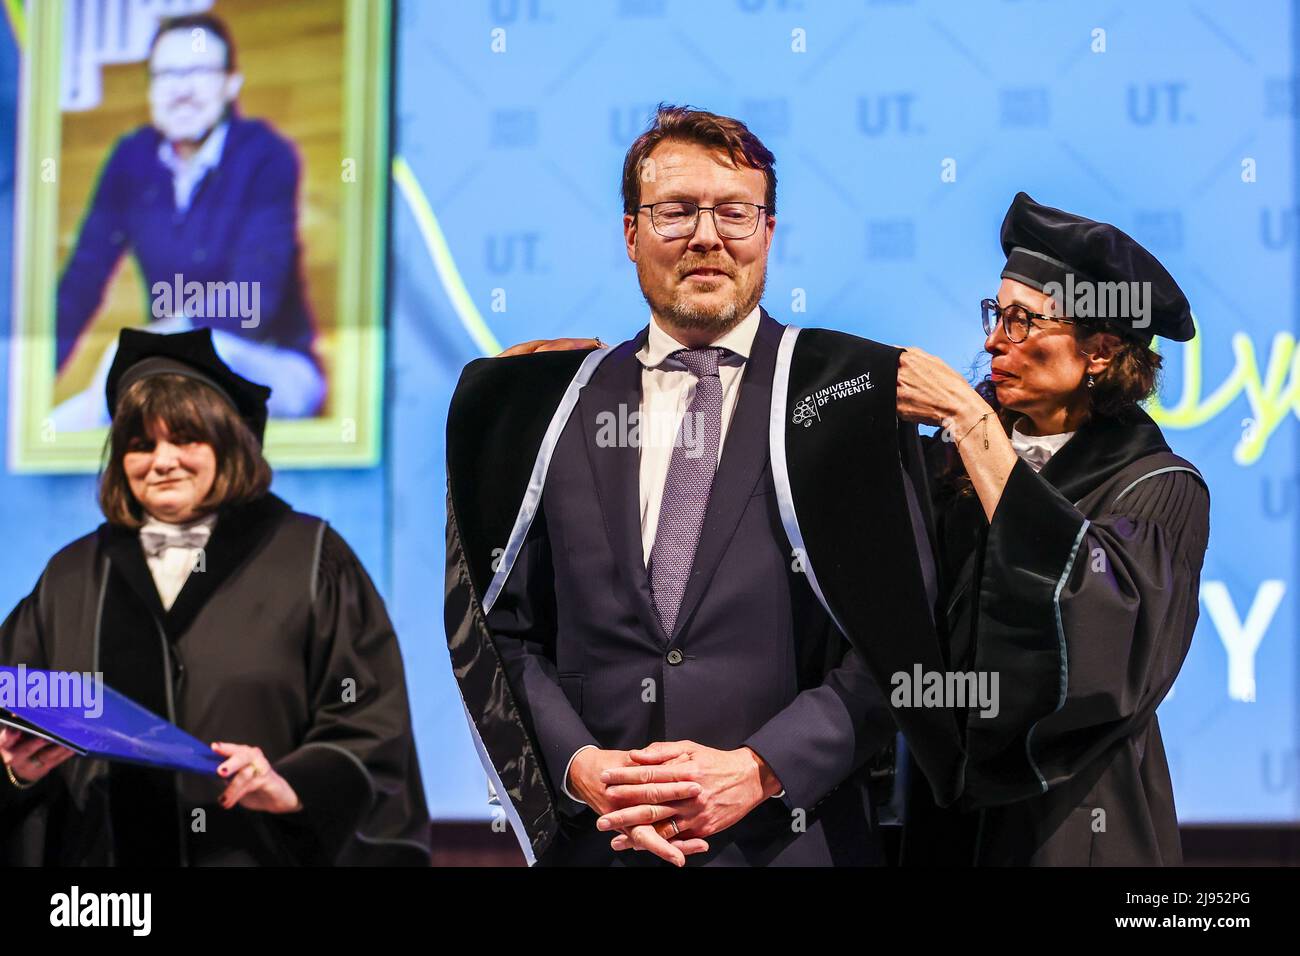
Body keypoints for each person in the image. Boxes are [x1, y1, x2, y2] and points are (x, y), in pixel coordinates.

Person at [445, 106, 960, 867]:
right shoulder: (552, 407)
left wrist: (758, 770)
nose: (707, 236)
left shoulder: (844, 400)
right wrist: (584, 769)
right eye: (676, 211)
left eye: (735, 213)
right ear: (631, 234)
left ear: (769, 233)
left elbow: (901, 645)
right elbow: (504, 633)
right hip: (605, 844)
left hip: (792, 844)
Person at [1, 328, 429, 866]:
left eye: (185, 439)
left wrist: (289, 783)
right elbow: (16, 711)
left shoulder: (311, 557)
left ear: (228, 445)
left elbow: (369, 723)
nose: (162, 460)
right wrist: (15, 771)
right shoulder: (70, 577)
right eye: (141, 444)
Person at [894, 192, 1210, 865]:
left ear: (1098, 351)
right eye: (994, 315)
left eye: (1021, 322)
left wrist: (973, 425)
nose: (991, 342)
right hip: (940, 820)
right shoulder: (946, 464)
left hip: (1075, 824)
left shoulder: (1156, 491)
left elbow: (1101, 651)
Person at [52, 12, 324, 427]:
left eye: (197, 71)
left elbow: (254, 300)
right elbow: (81, 282)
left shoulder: (266, 155)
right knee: (57, 427)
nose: (181, 90)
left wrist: (159, 341)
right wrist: (29, 377)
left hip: (268, 362)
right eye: (166, 75)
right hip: (163, 367)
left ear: (231, 83)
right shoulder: (131, 158)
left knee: (136, 367)